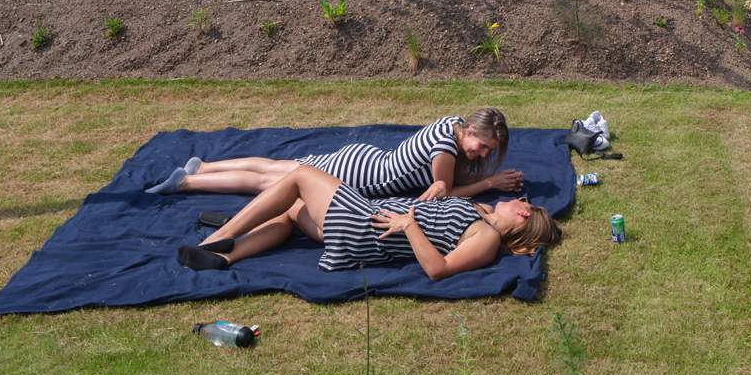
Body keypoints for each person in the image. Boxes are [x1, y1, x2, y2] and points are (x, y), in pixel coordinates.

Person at [173, 162, 562, 279]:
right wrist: (487, 186)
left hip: (365, 225)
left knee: (299, 176)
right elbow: (455, 204)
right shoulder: (484, 217)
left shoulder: (486, 239)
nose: (510, 200)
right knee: (293, 212)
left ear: (524, 213)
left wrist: (409, 224)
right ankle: (227, 256)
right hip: (366, 220)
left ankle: (220, 236)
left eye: (518, 202)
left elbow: (438, 269)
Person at [144, 108, 522, 201]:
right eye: (483, 145)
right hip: (360, 176)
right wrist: (488, 182)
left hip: (364, 157)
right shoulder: (445, 150)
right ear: (471, 131)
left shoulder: (452, 123)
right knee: (269, 183)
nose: (482, 153)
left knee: (281, 166)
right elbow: (442, 192)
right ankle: (189, 180)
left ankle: (206, 164)